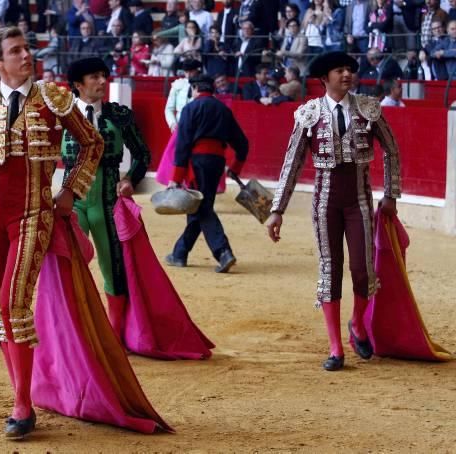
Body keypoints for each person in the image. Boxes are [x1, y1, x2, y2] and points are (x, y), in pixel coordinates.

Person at [0, 26, 103, 439]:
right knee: (1, 306)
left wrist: (70, 192)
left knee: (15, 303)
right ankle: (20, 393)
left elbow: (92, 144)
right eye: (16, 51)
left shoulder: (53, 97)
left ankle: (22, 405)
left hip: (34, 212)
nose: (26, 55)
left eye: (27, 49)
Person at [265, 51, 401, 372]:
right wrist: (277, 209)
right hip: (325, 202)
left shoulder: (368, 108)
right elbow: (292, 163)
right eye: (340, 70)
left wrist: (392, 194)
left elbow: (392, 151)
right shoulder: (309, 114)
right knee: (331, 270)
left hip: (360, 199)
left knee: (363, 268)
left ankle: (357, 323)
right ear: (324, 78)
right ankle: (336, 347)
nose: (347, 75)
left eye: (350, 70)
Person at [61, 57, 150, 341]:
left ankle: (115, 336)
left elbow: (143, 154)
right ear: (78, 85)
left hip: (108, 204)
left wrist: (129, 179)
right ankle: (75, 334)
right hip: (71, 205)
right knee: (70, 268)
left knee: (114, 270)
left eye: (103, 75)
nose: (102, 81)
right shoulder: (60, 115)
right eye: (94, 77)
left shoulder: (118, 115)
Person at [164, 75, 248, 273]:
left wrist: (175, 178)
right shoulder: (224, 110)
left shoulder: (190, 108)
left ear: (194, 88)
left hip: (198, 162)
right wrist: (235, 168)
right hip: (217, 162)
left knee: (202, 209)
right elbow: (242, 144)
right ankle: (180, 253)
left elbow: (182, 145)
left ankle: (223, 252)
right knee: (201, 206)